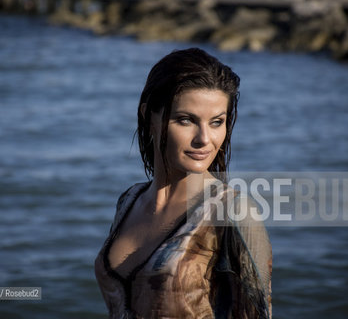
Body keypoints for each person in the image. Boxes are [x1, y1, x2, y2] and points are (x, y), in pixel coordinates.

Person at [95, 48, 272, 319]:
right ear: (148, 116)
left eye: (217, 122)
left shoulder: (234, 212)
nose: (204, 139)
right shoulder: (129, 200)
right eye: (186, 120)